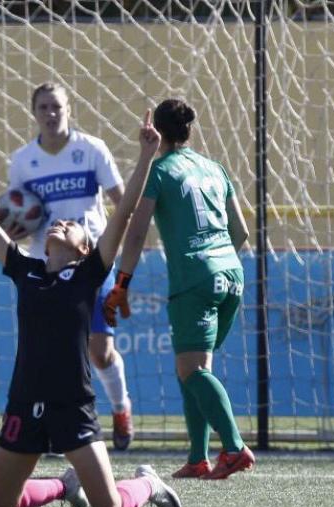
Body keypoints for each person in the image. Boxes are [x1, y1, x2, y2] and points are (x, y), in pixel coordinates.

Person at [0, 113, 181, 507]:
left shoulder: (88, 273)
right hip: (24, 399)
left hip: (72, 404)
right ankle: (64, 486)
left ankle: (147, 483)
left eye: (74, 224)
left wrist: (146, 154)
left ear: (86, 247)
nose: (63, 222)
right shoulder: (24, 268)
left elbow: (124, 213)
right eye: (59, 222)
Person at [103, 98, 255, 480]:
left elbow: (136, 230)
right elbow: (242, 232)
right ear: (189, 130)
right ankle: (198, 458)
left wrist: (122, 282)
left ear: (157, 130)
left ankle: (234, 448)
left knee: (191, 371)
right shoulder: (215, 168)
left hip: (195, 275)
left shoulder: (159, 170)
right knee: (196, 368)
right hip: (232, 275)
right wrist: (217, 264)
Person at [3, 83, 136, 451]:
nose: (51, 113)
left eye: (57, 106)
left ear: (68, 110)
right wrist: (11, 225)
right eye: (43, 107)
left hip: (91, 265)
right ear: (34, 112)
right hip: (46, 268)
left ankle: (121, 407)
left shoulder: (91, 150)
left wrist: (114, 254)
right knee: (50, 350)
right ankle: (51, 426)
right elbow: (15, 209)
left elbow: (121, 202)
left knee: (100, 351)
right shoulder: (22, 160)